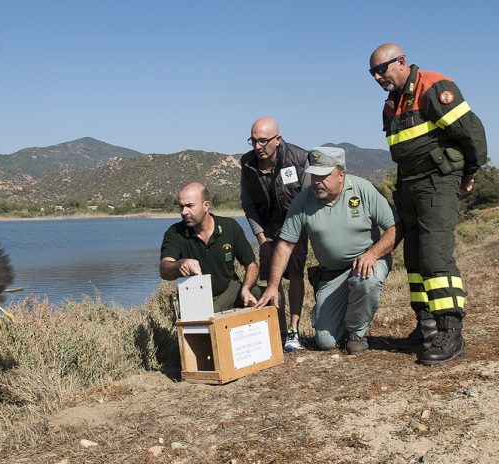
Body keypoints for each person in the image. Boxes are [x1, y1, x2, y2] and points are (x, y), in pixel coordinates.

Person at [368, 43, 488, 365]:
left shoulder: (433, 87)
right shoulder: (390, 105)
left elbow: (472, 132)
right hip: (409, 185)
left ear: (402, 61)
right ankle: (426, 326)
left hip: (437, 181)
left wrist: (469, 172)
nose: (379, 77)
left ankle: (452, 330)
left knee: (435, 256)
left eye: (383, 68)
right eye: (373, 72)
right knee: (416, 259)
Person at [256, 147, 400, 355]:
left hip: (366, 262)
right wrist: (273, 285)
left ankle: (355, 333)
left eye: (323, 176)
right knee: (325, 341)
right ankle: (342, 314)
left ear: (341, 175)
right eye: (314, 175)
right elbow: (286, 244)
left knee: (367, 279)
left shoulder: (363, 189)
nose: (316, 181)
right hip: (332, 275)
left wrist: (373, 254)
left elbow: (395, 227)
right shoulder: (304, 200)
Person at [240, 116, 310, 351]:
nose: (257, 146)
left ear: (277, 139)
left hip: (295, 222)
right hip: (267, 226)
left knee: (296, 274)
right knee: (273, 280)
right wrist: (260, 236)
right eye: (253, 141)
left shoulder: (300, 158)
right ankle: (278, 332)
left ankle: (294, 331)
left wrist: (299, 229)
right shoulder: (248, 164)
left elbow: (309, 197)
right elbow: (248, 203)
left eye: (262, 141)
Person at [160, 181, 262, 312]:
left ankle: (285, 332)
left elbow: (251, 265)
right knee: (208, 317)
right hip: (196, 298)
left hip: (230, 291)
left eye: (190, 206)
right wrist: (180, 265)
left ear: (206, 205)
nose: (184, 212)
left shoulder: (230, 227)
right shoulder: (174, 232)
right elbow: (164, 270)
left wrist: (246, 289)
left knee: (272, 296)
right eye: (181, 206)